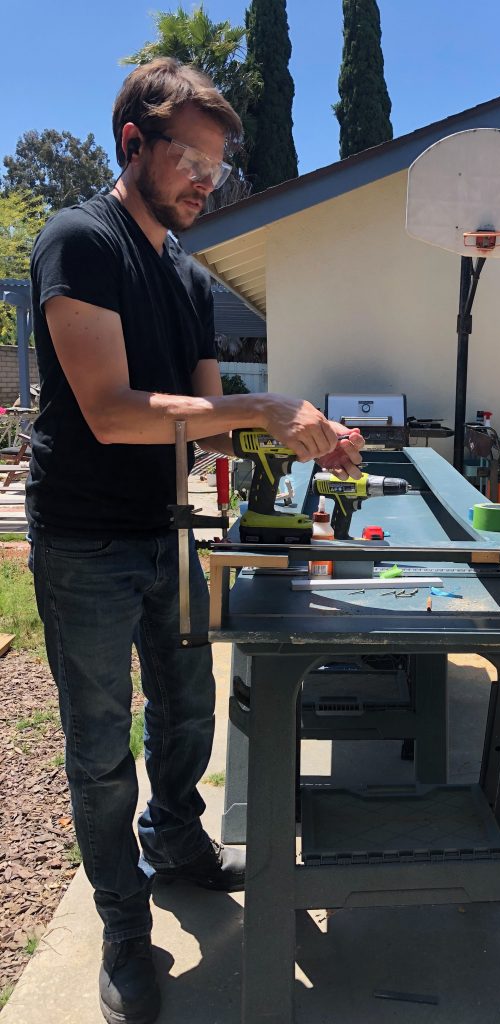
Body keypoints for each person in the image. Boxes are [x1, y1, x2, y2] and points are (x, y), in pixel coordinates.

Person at [27, 58, 364, 1024]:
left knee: (185, 709)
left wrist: (309, 440)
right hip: (86, 538)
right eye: (192, 163)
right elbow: (110, 411)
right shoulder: (79, 241)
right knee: (99, 747)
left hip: (169, 529)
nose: (206, 185)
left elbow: (209, 416)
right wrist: (259, 405)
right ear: (132, 144)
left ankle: (176, 841)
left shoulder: (182, 268)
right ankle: (126, 929)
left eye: (217, 169)